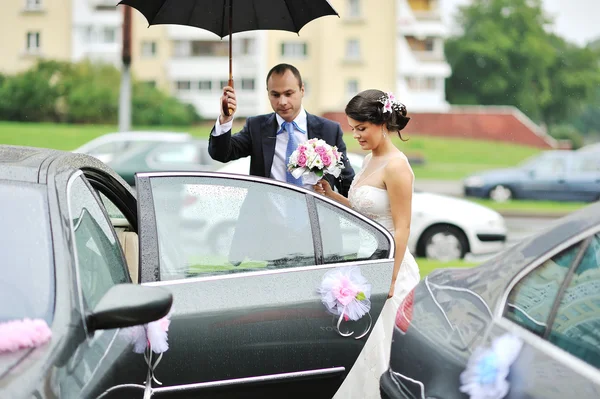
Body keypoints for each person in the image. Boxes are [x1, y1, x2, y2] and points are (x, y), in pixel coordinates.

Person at [313, 89, 420, 398]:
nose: (356, 135)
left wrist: (392, 276)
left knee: (384, 353)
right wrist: (332, 195)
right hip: (366, 266)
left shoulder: (397, 166)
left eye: (361, 128)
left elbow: (402, 227)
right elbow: (366, 212)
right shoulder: (371, 159)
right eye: (353, 128)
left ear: (382, 123)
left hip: (390, 270)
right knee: (360, 354)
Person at [208, 63, 355, 196]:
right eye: (275, 95)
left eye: (288, 94)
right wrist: (225, 119)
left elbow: (346, 182)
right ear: (268, 94)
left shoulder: (329, 130)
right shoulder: (256, 127)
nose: (282, 102)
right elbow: (221, 154)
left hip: (315, 221)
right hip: (266, 222)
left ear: (302, 90)